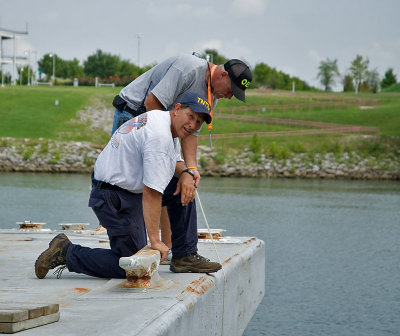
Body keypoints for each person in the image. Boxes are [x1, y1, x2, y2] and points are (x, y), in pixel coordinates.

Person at [34, 93, 222, 279]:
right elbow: (151, 192)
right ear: (178, 109)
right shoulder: (160, 135)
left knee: (183, 185)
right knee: (132, 265)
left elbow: (174, 163)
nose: (193, 125)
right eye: (191, 117)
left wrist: (186, 173)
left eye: (198, 122)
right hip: (111, 196)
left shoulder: (163, 121)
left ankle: (184, 256)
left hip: (126, 190)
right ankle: (66, 253)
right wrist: (155, 241)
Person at [110, 53, 253, 250]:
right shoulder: (187, 68)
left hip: (164, 123)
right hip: (134, 112)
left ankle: (168, 247)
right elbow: (153, 104)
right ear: (222, 75)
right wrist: (175, 160)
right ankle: (126, 241)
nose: (229, 97)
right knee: (129, 181)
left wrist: (191, 169)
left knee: (176, 179)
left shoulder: (212, 95)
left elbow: (191, 133)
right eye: (231, 91)